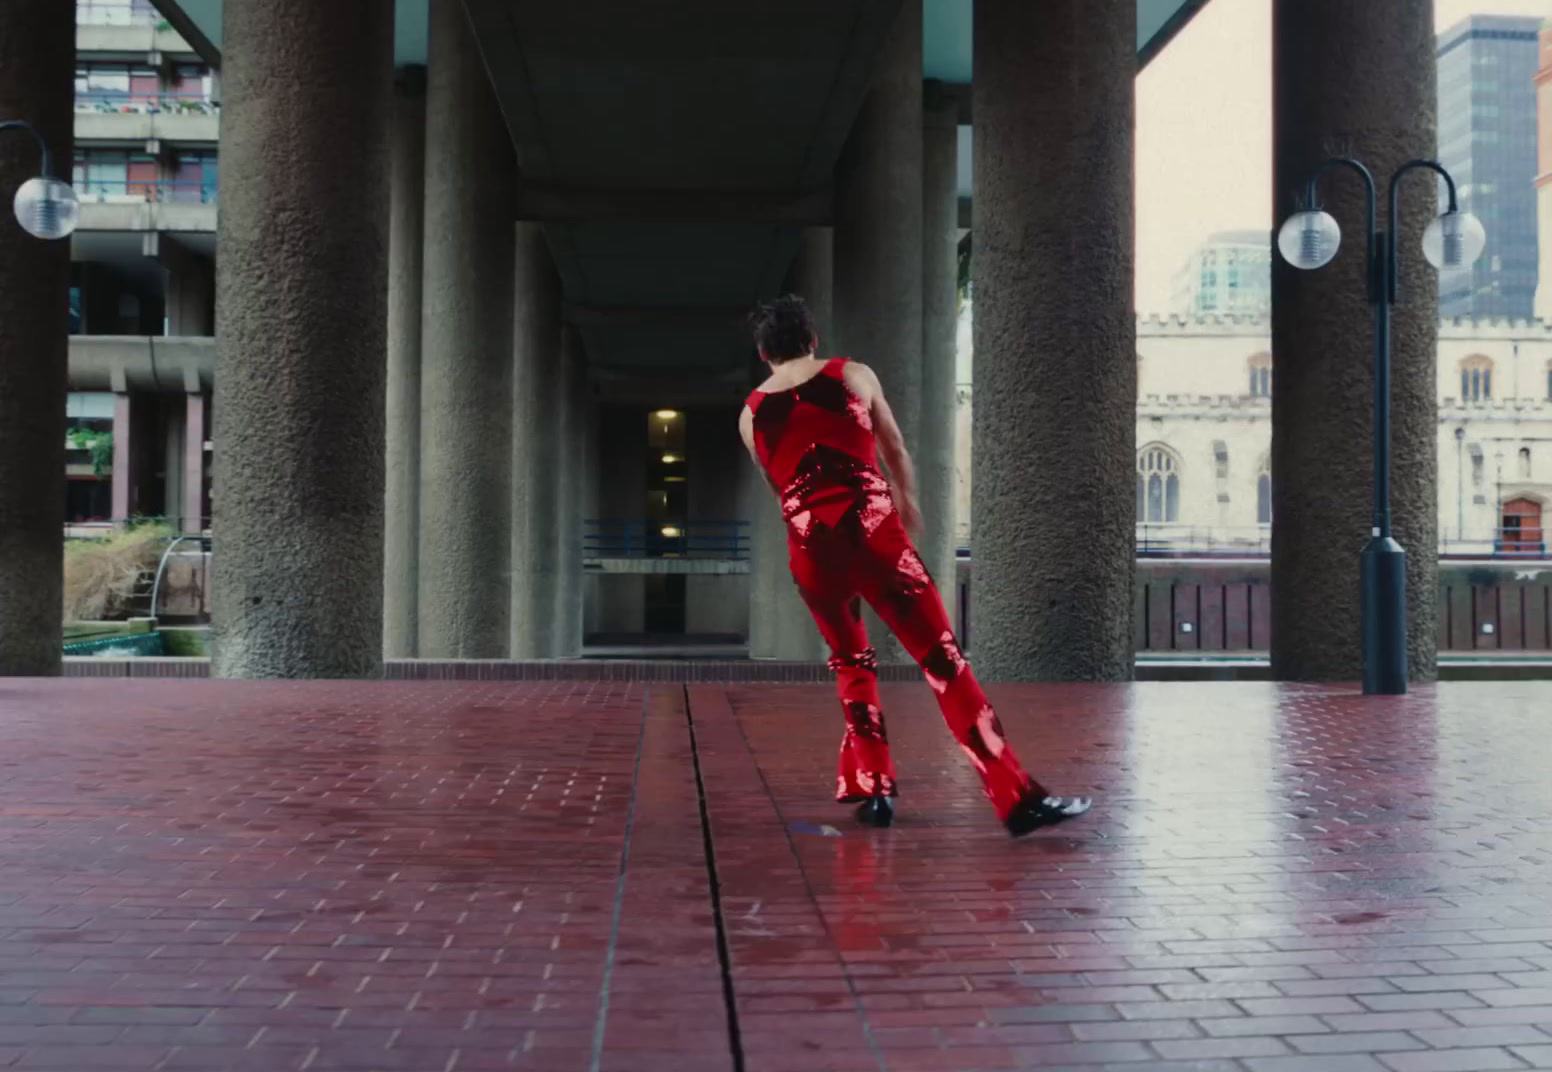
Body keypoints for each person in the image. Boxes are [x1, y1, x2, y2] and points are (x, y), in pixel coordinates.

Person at [739, 295, 1091, 837]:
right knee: (943, 662)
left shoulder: (751, 412)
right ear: (812, 340)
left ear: (765, 353)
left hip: (810, 551)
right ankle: (1014, 796)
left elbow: (777, 486)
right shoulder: (851, 374)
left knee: (851, 663)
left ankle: (873, 790)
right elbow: (894, 445)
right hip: (875, 534)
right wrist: (906, 498)